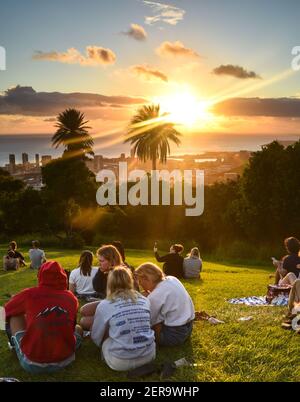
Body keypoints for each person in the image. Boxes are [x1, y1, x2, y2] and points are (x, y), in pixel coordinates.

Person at [4, 261, 82, 374]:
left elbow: (6, 311)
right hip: (66, 359)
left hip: (32, 363)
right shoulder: (72, 298)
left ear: (40, 276)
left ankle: (14, 344)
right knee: (78, 328)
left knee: (14, 316)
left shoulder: (29, 294)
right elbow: (72, 325)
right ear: (64, 277)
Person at [91, 266, 155, 371]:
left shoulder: (105, 304)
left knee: (107, 331)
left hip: (120, 362)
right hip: (149, 355)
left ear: (110, 283)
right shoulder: (145, 300)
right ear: (130, 281)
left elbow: (96, 335)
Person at [135, 262, 195, 347]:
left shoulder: (154, 296)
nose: (140, 285)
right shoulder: (172, 279)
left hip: (174, 336)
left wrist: (144, 300)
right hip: (189, 327)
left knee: (146, 326)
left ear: (146, 278)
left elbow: (149, 322)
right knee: (162, 313)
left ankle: (160, 339)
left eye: (140, 281)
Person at [80, 245, 123, 330]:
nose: (99, 263)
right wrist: (100, 271)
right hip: (109, 302)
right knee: (84, 311)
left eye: (102, 261)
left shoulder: (120, 274)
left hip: (119, 308)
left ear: (111, 261)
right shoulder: (105, 271)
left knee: (84, 321)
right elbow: (97, 287)